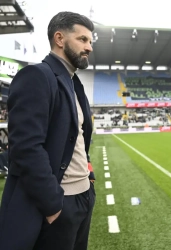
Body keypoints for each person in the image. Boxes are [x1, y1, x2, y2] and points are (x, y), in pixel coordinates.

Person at [0, 11, 96, 250]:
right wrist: (53, 204)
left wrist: (89, 177)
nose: (89, 47)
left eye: (90, 41)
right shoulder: (37, 76)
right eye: (83, 39)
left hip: (83, 196)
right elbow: (25, 147)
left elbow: (79, 138)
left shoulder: (74, 83)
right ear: (60, 39)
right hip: (60, 203)